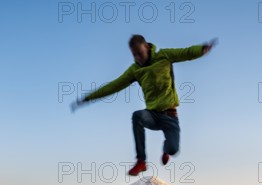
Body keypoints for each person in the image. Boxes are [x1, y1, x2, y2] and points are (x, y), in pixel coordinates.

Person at [71, 34, 216, 176]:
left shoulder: (164, 56)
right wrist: (88, 98)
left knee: (173, 149)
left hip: (170, 116)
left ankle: (166, 149)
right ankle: (141, 161)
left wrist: (201, 49)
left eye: (140, 53)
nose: (138, 58)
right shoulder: (135, 70)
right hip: (152, 115)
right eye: (134, 55)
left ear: (147, 47)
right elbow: (114, 86)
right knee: (137, 116)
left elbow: (185, 53)